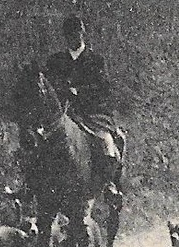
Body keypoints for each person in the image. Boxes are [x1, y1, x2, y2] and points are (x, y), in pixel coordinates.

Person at [42, 14, 123, 177]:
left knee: (107, 142)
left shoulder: (96, 60)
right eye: (69, 35)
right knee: (37, 144)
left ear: (82, 33)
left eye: (76, 34)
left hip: (91, 114)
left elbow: (104, 89)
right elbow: (48, 86)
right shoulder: (55, 61)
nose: (73, 38)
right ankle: (27, 188)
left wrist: (80, 92)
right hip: (63, 114)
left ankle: (111, 184)